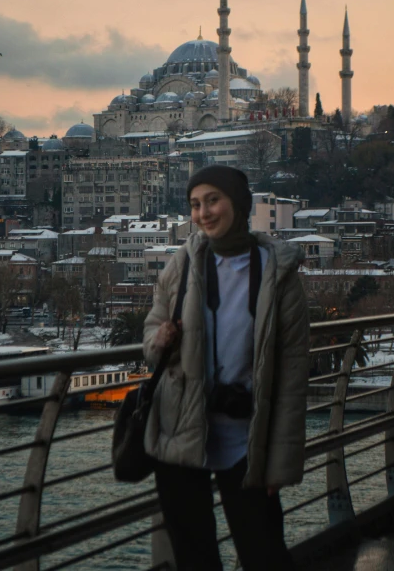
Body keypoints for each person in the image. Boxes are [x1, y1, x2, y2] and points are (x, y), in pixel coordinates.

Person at [143, 165, 310, 571]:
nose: (203, 213)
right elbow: (150, 339)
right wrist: (160, 339)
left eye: (213, 200)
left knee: (264, 552)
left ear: (239, 203)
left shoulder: (277, 273)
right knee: (195, 558)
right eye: (195, 205)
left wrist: (279, 462)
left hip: (245, 441)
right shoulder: (181, 264)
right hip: (180, 434)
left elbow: (291, 376)